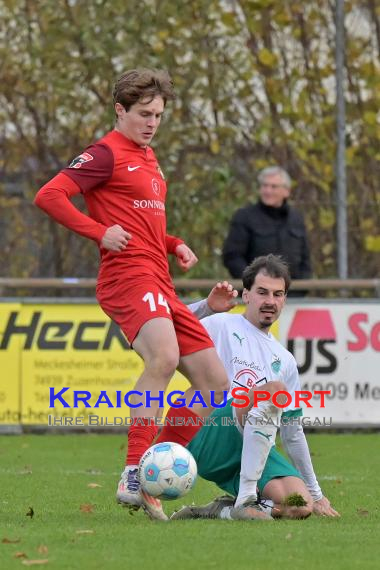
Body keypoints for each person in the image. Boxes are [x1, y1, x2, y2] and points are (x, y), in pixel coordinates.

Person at [34, 68, 236, 521]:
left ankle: (155, 469)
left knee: (214, 383)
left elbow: (143, 223)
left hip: (158, 276)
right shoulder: (104, 153)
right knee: (162, 358)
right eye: (144, 114)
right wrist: (98, 232)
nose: (151, 123)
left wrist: (173, 242)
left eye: (159, 115)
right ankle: (132, 471)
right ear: (119, 110)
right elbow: (49, 195)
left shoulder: (150, 157)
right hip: (126, 276)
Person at [156, 255, 340, 520]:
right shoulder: (221, 324)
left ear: (285, 299)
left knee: (298, 504)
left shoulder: (285, 360)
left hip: (250, 451)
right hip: (209, 433)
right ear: (246, 295)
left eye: (278, 294)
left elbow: (292, 431)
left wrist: (317, 493)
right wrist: (206, 307)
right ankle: (245, 499)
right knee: (274, 390)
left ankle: (221, 510)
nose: (270, 301)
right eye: (262, 292)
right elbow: (164, 329)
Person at [222, 166, 311, 296]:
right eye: (264, 186)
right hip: (256, 298)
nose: (268, 191)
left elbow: (305, 259)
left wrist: (301, 289)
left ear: (286, 191)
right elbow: (232, 256)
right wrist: (254, 284)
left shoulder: (296, 218)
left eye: (274, 187)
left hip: (293, 299)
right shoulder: (244, 217)